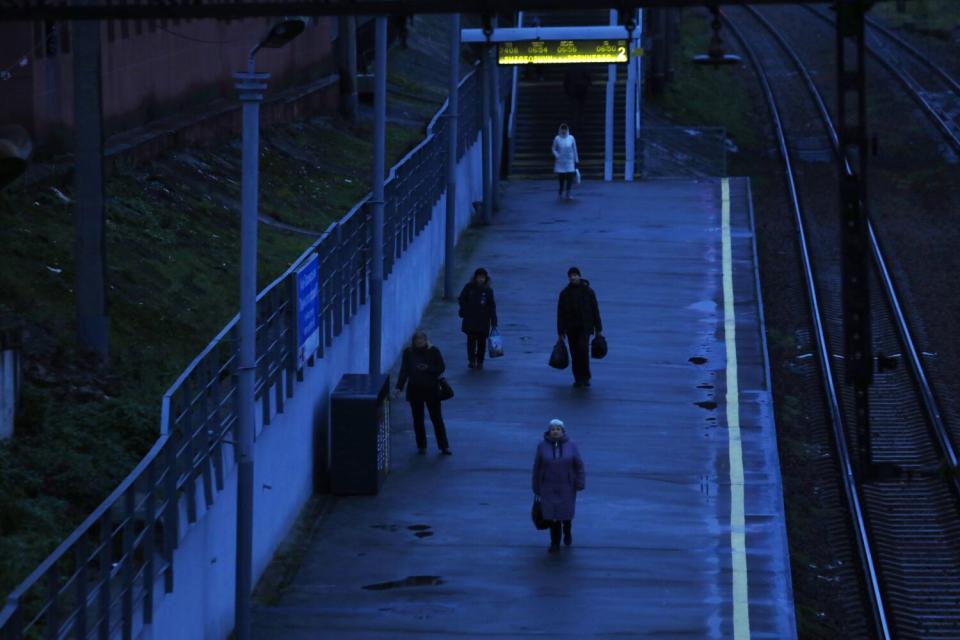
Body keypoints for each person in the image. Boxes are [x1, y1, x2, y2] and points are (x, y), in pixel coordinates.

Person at [394, 330, 451, 455]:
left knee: (436, 419)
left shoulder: (434, 351)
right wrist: (399, 387)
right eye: (417, 340)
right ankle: (421, 446)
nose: (419, 342)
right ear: (413, 341)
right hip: (415, 390)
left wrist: (428, 368)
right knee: (417, 419)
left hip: (431, 390)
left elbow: (441, 367)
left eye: (421, 340)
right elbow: (404, 371)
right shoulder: (408, 353)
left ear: (426, 340)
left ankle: (443, 446)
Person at [532, 419, 585, 554]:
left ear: (563, 431)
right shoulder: (542, 446)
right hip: (548, 487)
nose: (555, 431)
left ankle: (567, 530)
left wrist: (580, 482)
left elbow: (579, 465)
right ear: (549, 431)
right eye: (553, 429)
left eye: (558, 429)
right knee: (552, 516)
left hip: (567, 486)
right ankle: (554, 543)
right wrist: (536, 486)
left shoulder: (572, 445)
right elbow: (537, 467)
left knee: (565, 514)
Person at [557, 267, 602, 388]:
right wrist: (560, 331)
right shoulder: (564, 294)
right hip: (571, 328)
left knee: (583, 352)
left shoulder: (588, 292)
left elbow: (595, 310)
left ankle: (585, 377)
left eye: (575, 275)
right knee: (574, 354)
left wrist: (598, 329)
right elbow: (560, 313)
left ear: (579, 276)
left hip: (584, 327)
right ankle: (578, 378)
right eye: (571, 275)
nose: (573, 277)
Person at [458, 267, 498, 369]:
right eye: (479, 277)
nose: (480, 279)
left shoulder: (488, 291)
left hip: (483, 321)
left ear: (485, 278)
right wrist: (465, 309)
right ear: (475, 277)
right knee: (471, 342)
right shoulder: (469, 288)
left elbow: (492, 306)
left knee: (481, 342)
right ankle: (471, 360)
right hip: (470, 320)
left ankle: (480, 360)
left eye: (482, 277)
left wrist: (494, 321)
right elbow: (461, 299)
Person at [552, 123, 580, 200]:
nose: (563, 131)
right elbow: (553, 149)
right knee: (561, 179)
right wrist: (557, 155)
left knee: (569, 178)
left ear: (567, 130)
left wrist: (576, 160)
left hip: (570, 162)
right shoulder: (557, 138)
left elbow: (574, 149)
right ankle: (560, 192)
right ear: (560, 130)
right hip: (560, 162)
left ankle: (568, 193)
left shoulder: (571, 138)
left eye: (565, 129)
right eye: (562, 129)